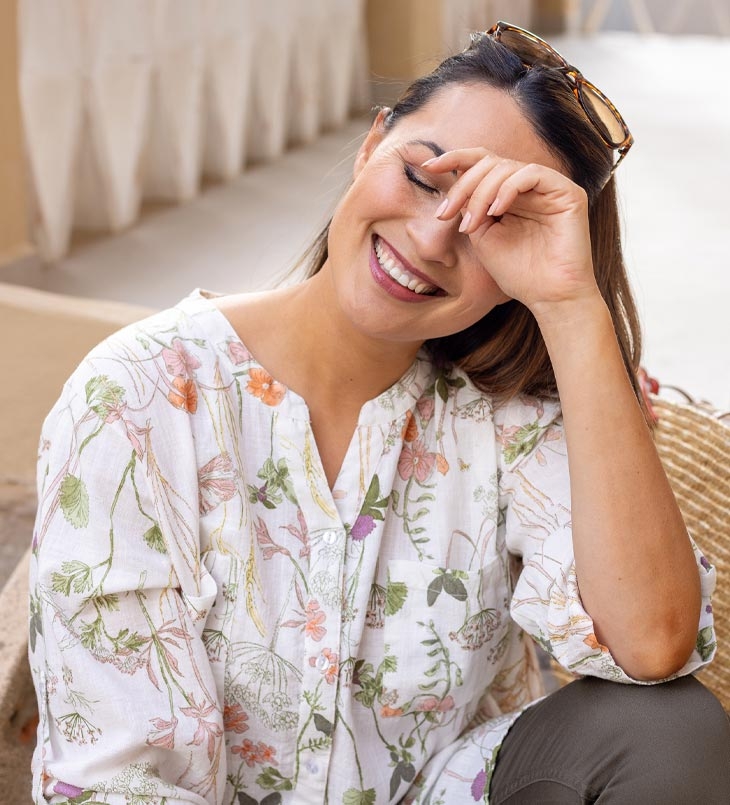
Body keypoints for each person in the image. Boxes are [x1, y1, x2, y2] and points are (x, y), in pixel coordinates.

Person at [28, 20, 729, 805]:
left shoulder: (507, 416)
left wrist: (572, 311)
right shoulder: (137, 397)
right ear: (372, 144)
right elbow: (115, 779)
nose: (432, 240)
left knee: (670, 727)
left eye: (493, 223)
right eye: (425, 178)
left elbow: (652, 646)